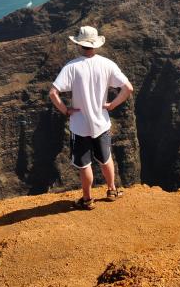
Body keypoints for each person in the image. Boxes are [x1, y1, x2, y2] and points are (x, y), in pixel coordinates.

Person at [49, 26, 133, 210]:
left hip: (79, 126)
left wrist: (65, 110)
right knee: (106, 158)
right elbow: (128, 88)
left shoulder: (71, 67)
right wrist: (112, 105)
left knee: (84, 164)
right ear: (96, 44)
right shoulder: (107, 64)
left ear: (79, 44)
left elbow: (53, 93)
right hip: (101, 123)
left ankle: (87, 200)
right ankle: (112, 190)